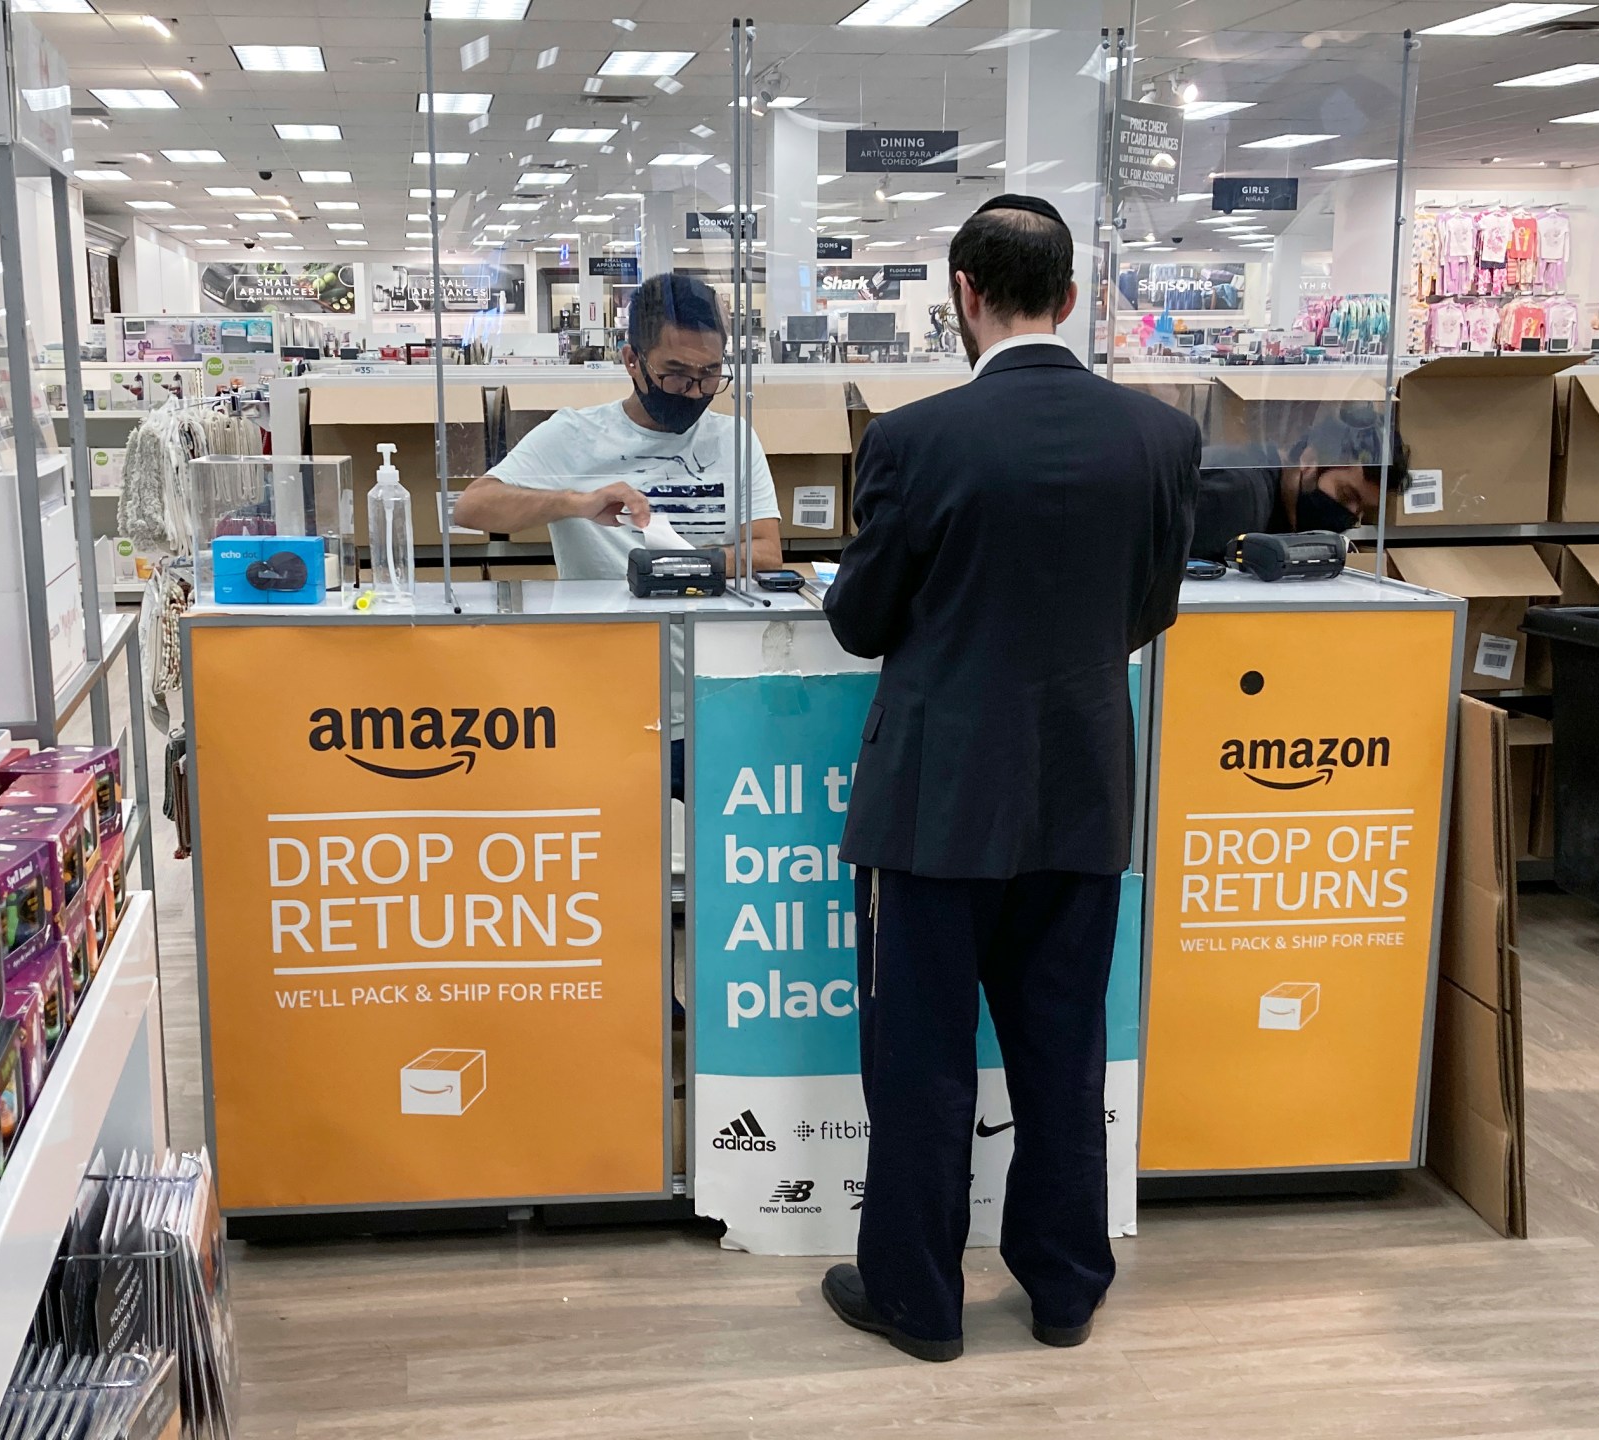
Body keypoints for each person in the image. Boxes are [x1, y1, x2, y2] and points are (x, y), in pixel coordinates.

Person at [816, 194, 1199, 1363]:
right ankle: (1065, 1288)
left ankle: (921, 1304)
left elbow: (861, 618)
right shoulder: (1160, 437)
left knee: (922, 1063)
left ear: (962, 297)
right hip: (1082, 787)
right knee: (1062, 1047)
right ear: (1073, 299)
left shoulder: (915, 439)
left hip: (935, 804)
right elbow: (1151, 610)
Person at [452, 271, 781, 578]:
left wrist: (681, 566)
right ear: (632, 361)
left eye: (709, 374)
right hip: (609, 635)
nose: (694, 391)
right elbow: (472, 508)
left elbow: (767, 551)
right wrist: (575, 503)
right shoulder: (574, 434)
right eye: (677, 374)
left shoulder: (734, 438)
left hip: (710, 635)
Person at [1189, 413, 1403, 562]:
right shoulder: (1241, 495)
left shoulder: (1270, 499)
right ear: (1309, 459)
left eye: (1362, 511)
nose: (1351, 517)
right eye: (1345, 495)